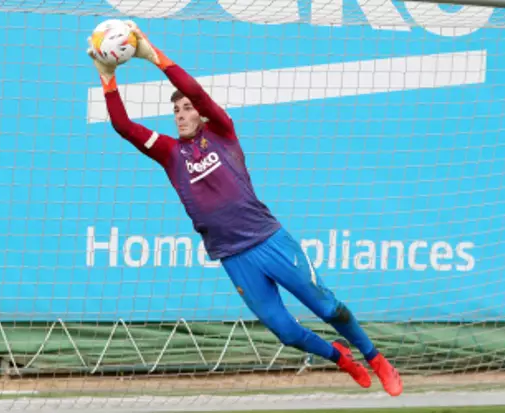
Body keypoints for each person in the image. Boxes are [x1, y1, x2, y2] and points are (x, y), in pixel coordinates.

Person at [86, 21, 403, 397]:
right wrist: (107, 77)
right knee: (285, 333)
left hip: (269, 240)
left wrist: (153, 56)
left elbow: (195, 91)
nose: (183, 114)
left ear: (201, 114)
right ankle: (341, 358)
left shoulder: (221, 130)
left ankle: (376, 357)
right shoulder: (171, 154)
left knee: (328, 308)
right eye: (177, 112)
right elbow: (123, 126)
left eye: (188, 109)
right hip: (234, 257)